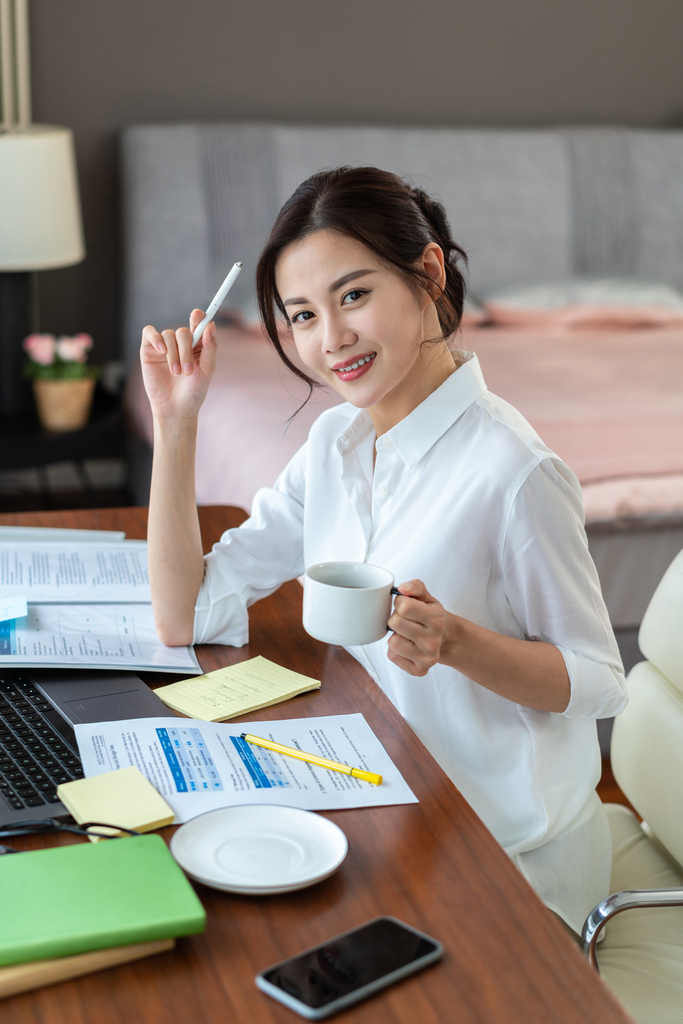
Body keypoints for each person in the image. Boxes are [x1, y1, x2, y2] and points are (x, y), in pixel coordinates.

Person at [140, 166, 627, 936]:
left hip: (507, 854)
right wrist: (176, 423)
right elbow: (185, 612)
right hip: (385, 796)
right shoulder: (335, 442)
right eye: (301, 314)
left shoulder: (513, 472)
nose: (329, 340)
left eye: (353, 295)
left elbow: (601, 685)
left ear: (427, 273)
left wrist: (457, 642)